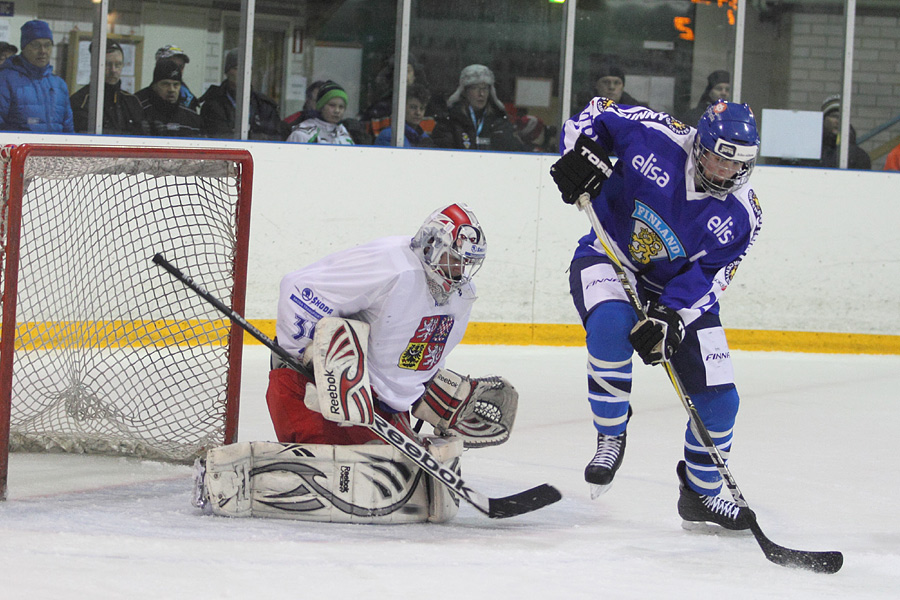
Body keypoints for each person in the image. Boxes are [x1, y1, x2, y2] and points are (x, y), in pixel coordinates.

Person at [193, 204, 519, 524]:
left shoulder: (462, 297)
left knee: (399, 485)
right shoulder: (392, 265)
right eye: (453, 260)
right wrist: (317, 360)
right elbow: (298, 289)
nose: (458, 273)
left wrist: (426, 396)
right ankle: (226, 478)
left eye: (466, 265)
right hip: (310, 388)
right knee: (333, 480)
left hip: (375, 408)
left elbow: (418, 357)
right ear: (433, 245)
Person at [550, 98, 763, 532]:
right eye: (718, 159)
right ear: (699, 144)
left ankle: (701, 495)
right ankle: (611, 434)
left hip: (674, 294)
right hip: (611, 256)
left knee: (721, 402)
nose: (725, 172)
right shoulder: (656, 134)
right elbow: (592, 115)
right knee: (611, 325)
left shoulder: (745, 215)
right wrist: (579, 156)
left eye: (735, 166)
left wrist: (672, 316)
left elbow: (713, 275)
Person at [0, 20, 73, 133]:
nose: (43, 51)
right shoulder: (5, 80)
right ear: (24, 48)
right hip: (19, 150)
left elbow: (68, 131)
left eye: (47, 45)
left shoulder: (59, 85)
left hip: (53, 150)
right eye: (36, 45)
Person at [431, 64, 522, 152]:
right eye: (475, 88)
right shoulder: (450, 122)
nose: (481, 94)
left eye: (485, 88)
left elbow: (513, 152)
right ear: (464, 91)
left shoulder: (499, 122)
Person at [199, 49, 286, 140]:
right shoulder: (213, 104)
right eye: (237, 68)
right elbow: (217, 137)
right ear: (227, 72)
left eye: (248, 68)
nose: (243, 73)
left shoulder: (264, 105)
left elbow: (275, 138)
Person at [70, 40, 147, 136]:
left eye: (118, 65)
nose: (113, 70)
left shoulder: (132, 101)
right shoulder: (81, 101)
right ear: (95, 66)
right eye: (107, 64)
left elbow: (141, 136)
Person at [136, 59, 203, 137]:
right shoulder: (138, 110)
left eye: (176, 85)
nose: (171, 90)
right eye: (165, 84)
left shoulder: (191, 117)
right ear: (154, 86)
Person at [286, 80, 354, 145]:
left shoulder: (345, 135)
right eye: (332, 105)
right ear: (321, 107)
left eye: (341, 107)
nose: (337, 111)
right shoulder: (302, 134)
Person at [819, 94, 871, 170]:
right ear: (824, 119)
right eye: (834, 116)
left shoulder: (859, 156)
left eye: (842, 117)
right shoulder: (811, 151)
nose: (838, 121)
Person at [153, 45, 200, 112]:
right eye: (173, 65)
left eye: (181, 66)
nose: (177, 70)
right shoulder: (143, 98)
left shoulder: (188, 97)